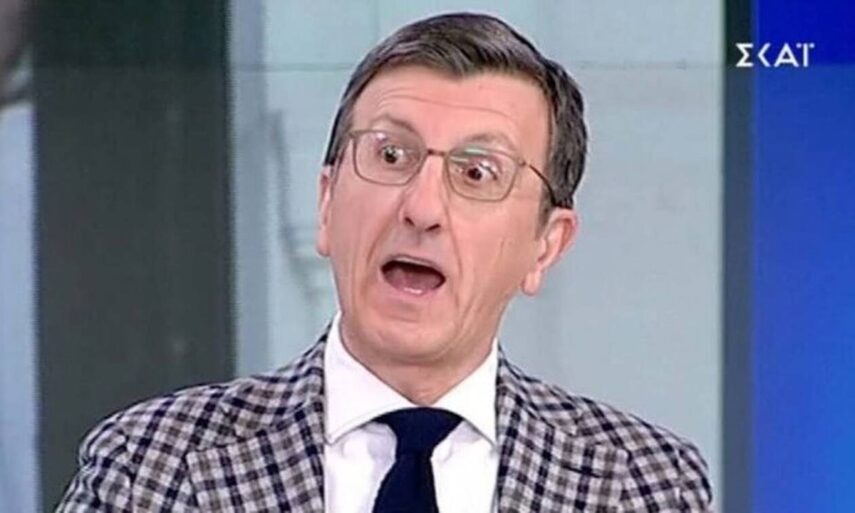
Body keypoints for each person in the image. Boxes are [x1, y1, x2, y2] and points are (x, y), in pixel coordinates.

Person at [58, 12, 712, 512]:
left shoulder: (643, 485)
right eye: (391, 155)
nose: (422, 208)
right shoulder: (152, 468)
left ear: (546, 244)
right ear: (326, 202)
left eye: (477, 172)